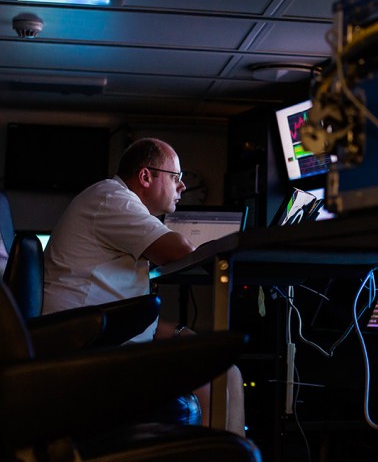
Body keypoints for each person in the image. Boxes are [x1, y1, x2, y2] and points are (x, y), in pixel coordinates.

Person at [43, 137, 244, 436]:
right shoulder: (113, 200)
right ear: (146, 176)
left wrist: (178, 332)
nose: (182, 187)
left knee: (226, 370)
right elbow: (180, 251)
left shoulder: (112, 200)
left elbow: (120, 307)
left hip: (94, 340)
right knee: (215, 370)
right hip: (86, 351)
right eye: (176, 177)